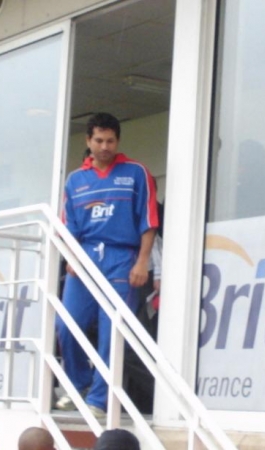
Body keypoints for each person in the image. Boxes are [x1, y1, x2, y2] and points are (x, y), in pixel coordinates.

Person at [55, 112, 158, 418]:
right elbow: (67, 226)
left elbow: (149, 222)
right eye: (98, 140)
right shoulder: (75, 180)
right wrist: (72, 257)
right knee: (66, 324)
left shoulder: (136, 172)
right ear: (88, 141)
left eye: (110, 140)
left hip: (121, 257)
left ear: (117, 141)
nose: (104, 146)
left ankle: (99, 399)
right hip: (84, 256)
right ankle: (80, 385)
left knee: (111, 331)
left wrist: (142, 262)